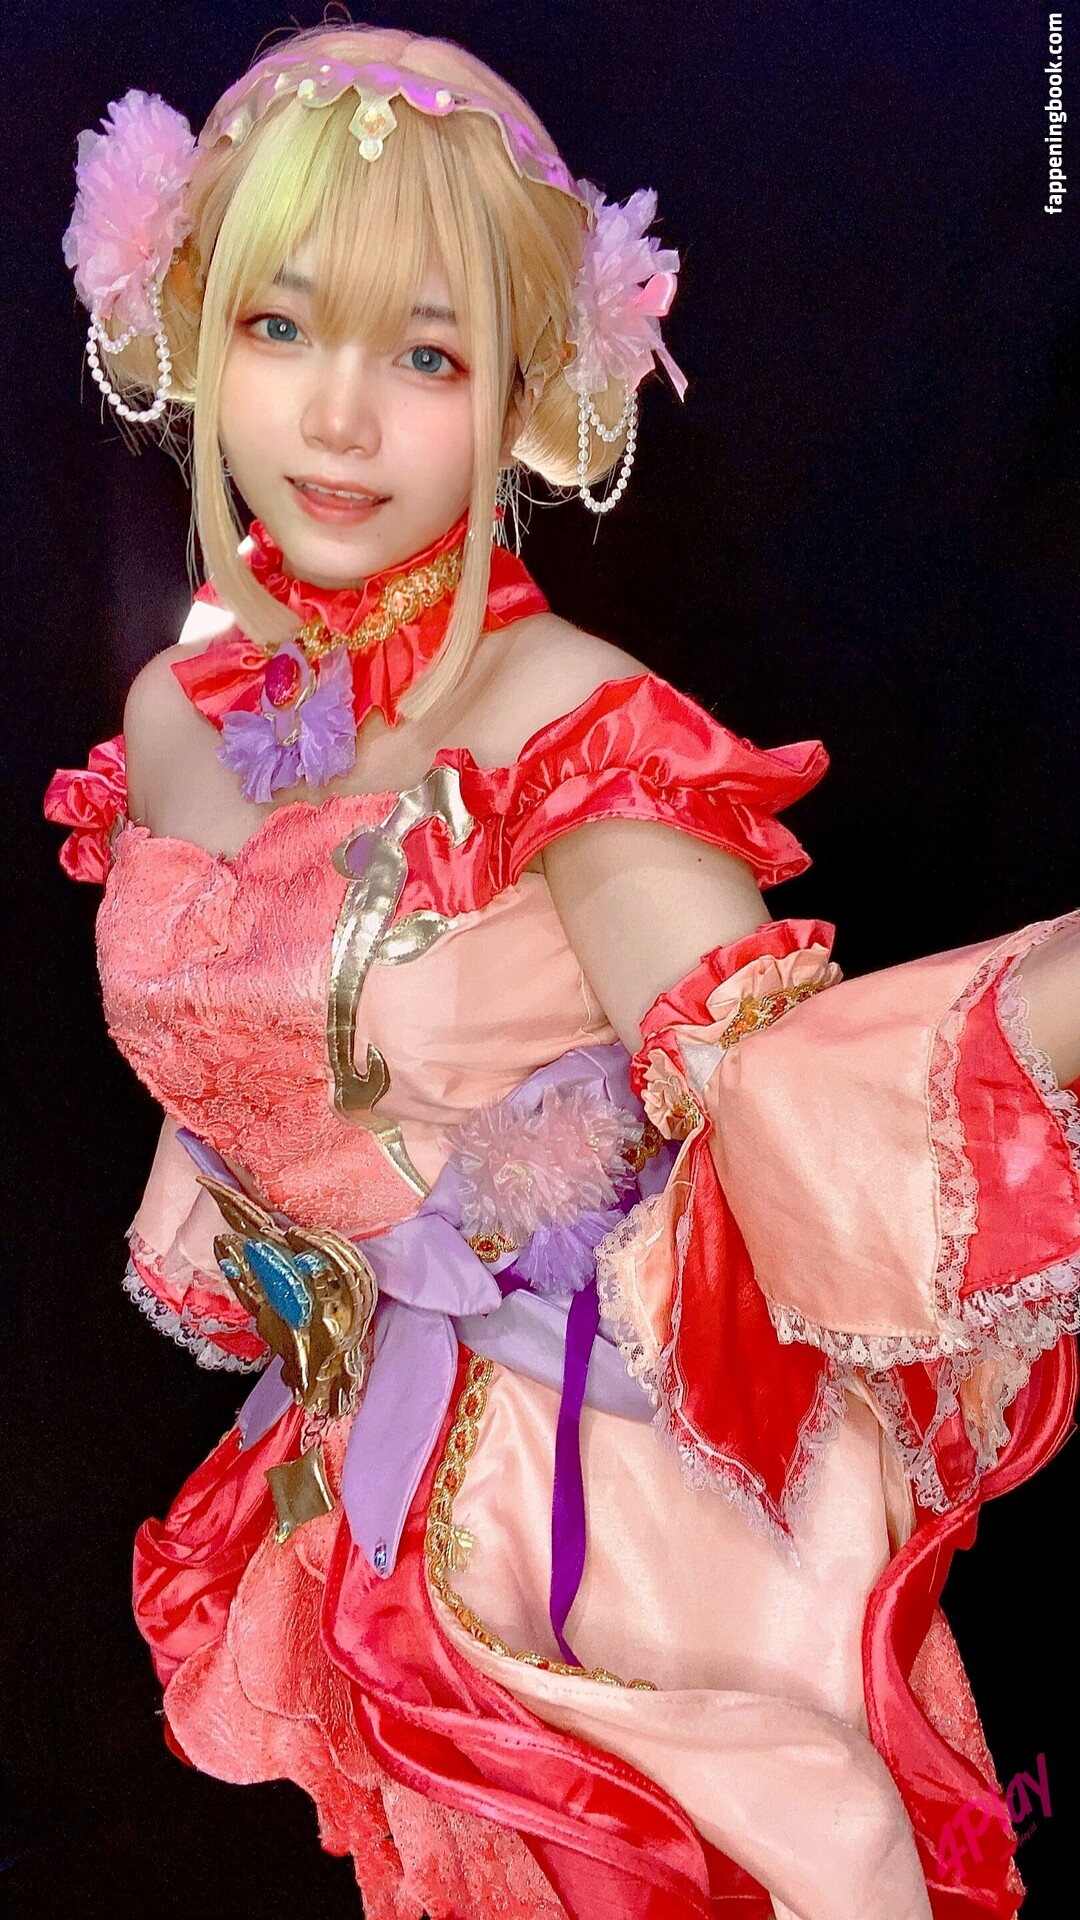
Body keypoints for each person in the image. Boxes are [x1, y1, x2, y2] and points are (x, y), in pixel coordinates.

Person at [44, 22, 1080, 1920]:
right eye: (282, 328)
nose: (337, 420)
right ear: (192, 327)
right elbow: (239, 1028)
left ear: (523, 391)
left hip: (607, 1501)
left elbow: (779, 1081)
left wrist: (1066, 1001)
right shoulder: (176, 714)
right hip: (366, 1475)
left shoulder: (567, 721)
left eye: (425, 356)